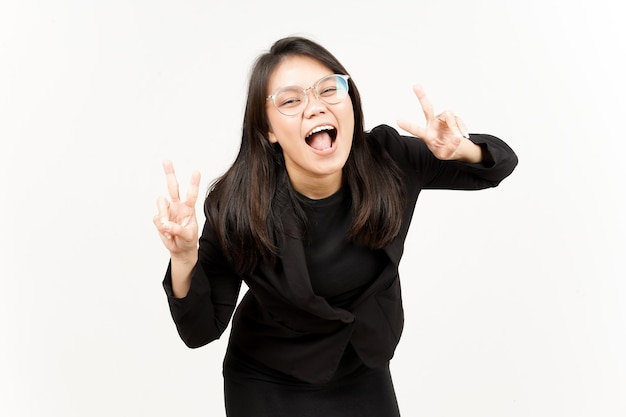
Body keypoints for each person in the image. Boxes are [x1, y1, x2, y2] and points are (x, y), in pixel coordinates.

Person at [154, 36, 518, 417]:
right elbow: (200, 330)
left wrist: (461, 148)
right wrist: (183, 258)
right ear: (269, 131)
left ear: (350, 101)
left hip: (362, 369)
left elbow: (499, 165)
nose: (315, 106)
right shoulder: (238, 204)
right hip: (268, 380)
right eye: (291, 100)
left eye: (329, 89)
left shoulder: (387, 161)